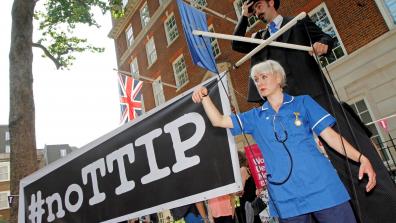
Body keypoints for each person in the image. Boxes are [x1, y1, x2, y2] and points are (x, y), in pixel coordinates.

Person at [231, 1, 396, 222]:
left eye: (259, 4)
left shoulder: (298, 22)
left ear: (271, 2)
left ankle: (380, 213)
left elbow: (327, 38)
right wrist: (243, 14)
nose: (257, 11)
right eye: (253, 8)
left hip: (314, 97)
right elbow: (236, 44)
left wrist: (322, 45)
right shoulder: (259, 37)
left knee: (346, 152)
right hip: (284, 108)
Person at [192, 60, 377, 223]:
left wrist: (361, 158)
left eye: (264, 76)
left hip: (323, 188)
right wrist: (205, 97)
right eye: (256, 80)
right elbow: (219, 121)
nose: (259, 82)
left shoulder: (303, 103)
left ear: (279, 78)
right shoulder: (255, 117)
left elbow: (331, 137)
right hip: (285, 197)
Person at [235, 151, 261, 223]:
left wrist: (231, 192)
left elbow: (240, 190)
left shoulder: (242, 169)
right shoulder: (245, 168)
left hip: (246, 204)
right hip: (250, 202)